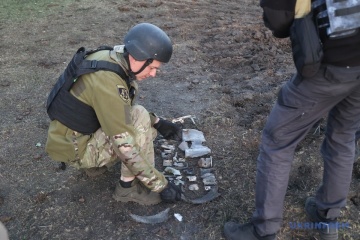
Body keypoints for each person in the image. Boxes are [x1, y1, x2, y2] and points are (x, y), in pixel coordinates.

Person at [224, 0, 360, 239]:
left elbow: (278, 18)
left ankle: (264, 229)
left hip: (329, 67)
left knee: (277, 143)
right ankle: (328, 218)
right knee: (343, 137)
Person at [45, 23, 182, 205]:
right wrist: (161, 185)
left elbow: (119, 109)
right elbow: (125, 146)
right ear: (137, 56)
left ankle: (95, 166)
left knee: (141, 119)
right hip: (76, 150)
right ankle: (127, 189)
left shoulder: (110, 58)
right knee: (139, 121)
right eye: (152, 67)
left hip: (68, 139)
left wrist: (157, 122)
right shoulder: (109, 81)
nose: (153, 74)